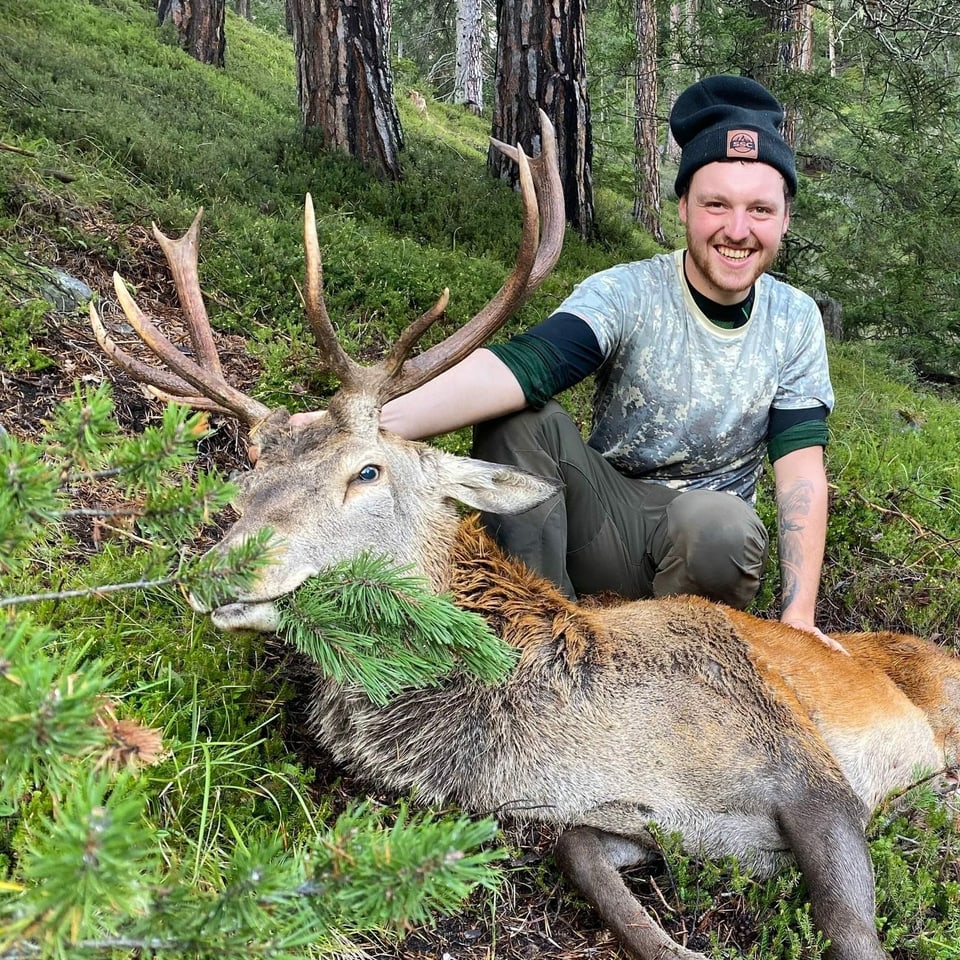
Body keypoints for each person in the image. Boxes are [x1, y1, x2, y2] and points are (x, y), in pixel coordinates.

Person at [292, 74, 840, 649]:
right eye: (715, 205)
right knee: (519, 416)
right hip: (604, 520)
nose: (736, 230)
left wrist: (799, 616)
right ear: (683, 208)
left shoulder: (794, 321)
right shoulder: (629, 292)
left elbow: (800, 473)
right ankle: (541, 643)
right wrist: (352, 428)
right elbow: (522, 367)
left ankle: (667, 669)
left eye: (759, 209)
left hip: (701, 547)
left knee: (722, 528)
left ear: (784, 219)